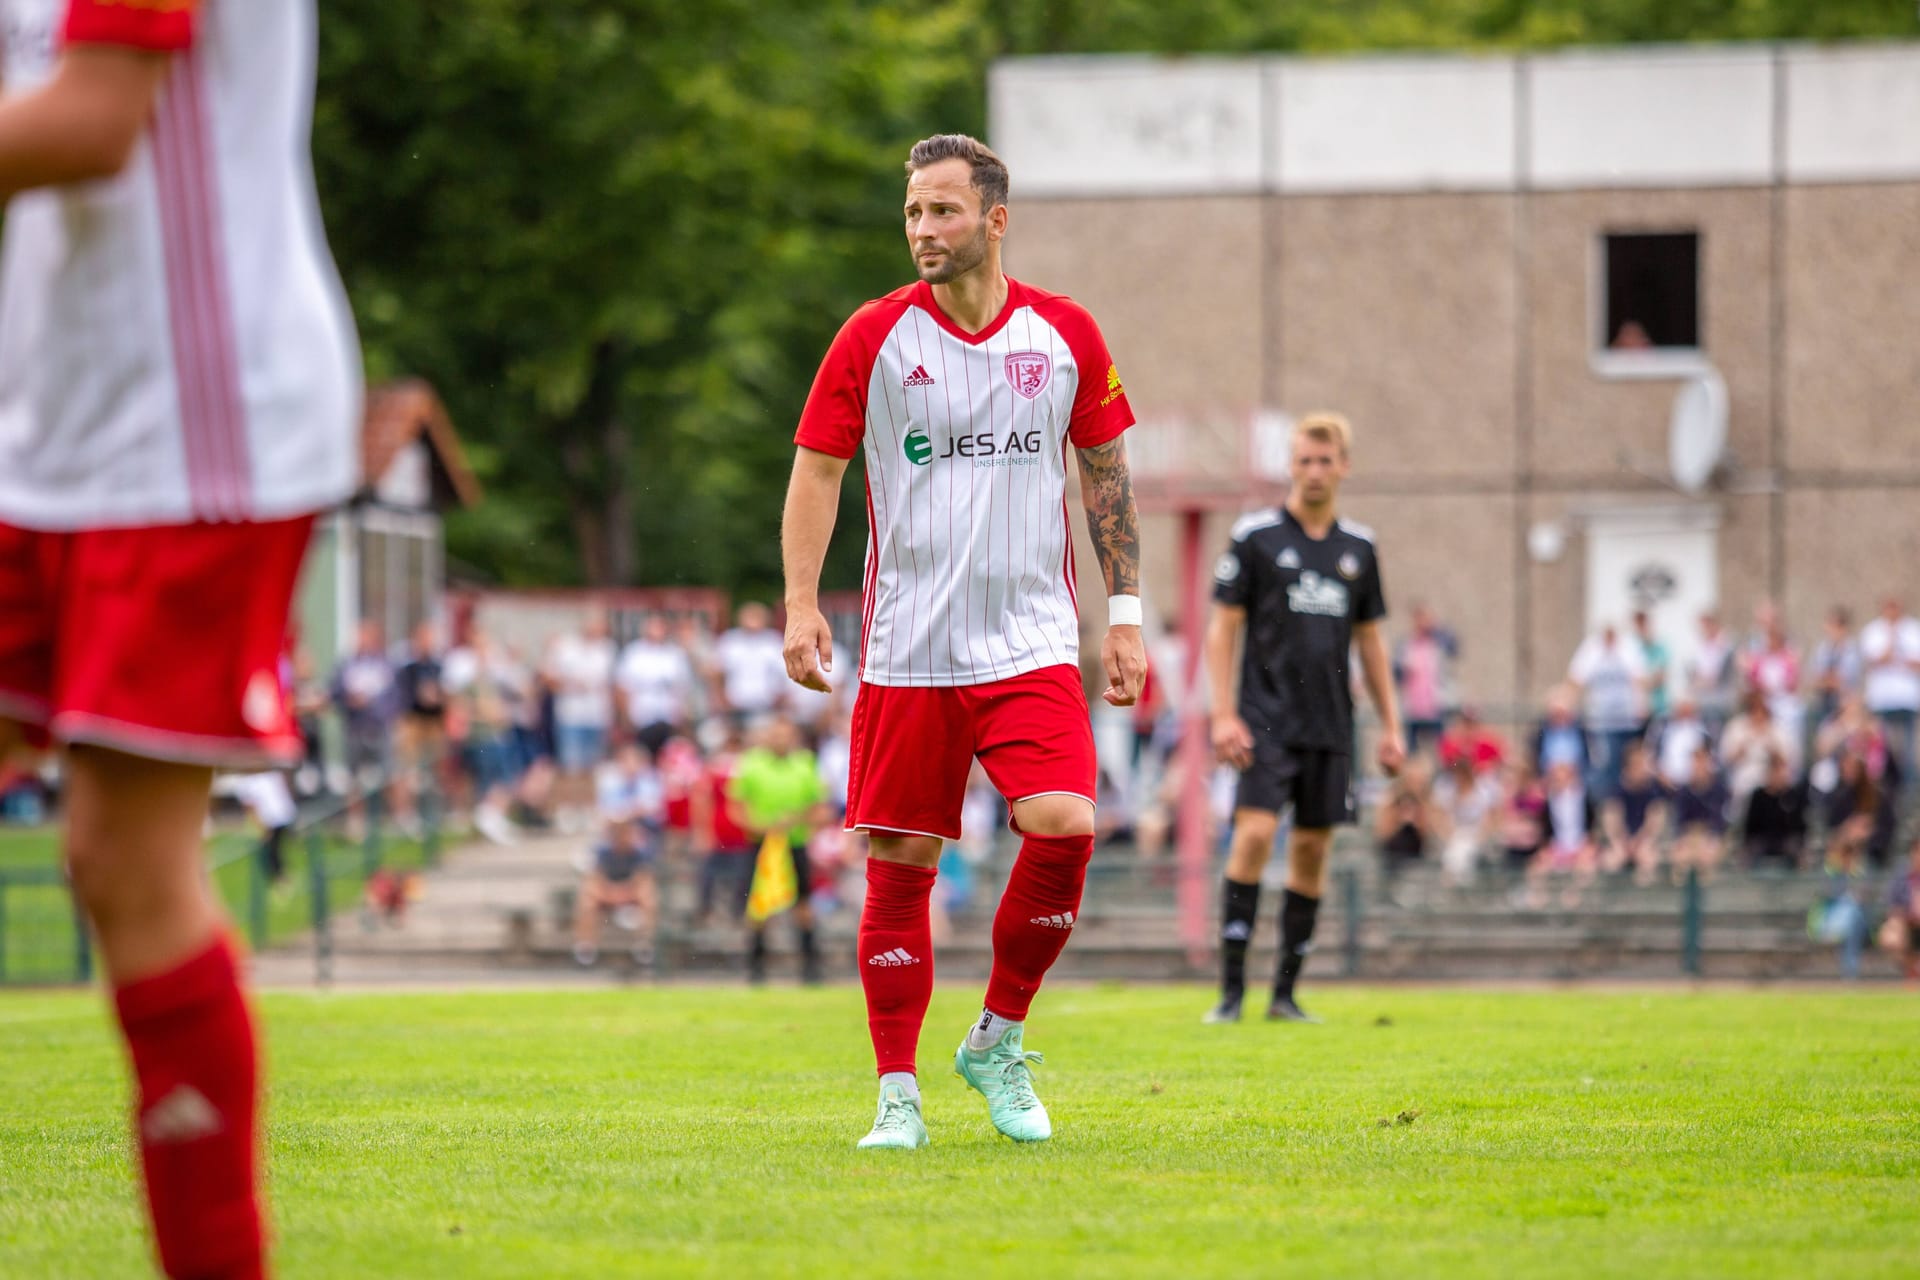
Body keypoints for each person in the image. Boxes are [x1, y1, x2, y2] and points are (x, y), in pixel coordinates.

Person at [0, 2, 360, 1275]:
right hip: (48, 427)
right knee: (117, 862)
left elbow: (95, 122)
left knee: (126, 862)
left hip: (191, 436)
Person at [779, 134, 1146, 1150]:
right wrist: (802, 602)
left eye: (942, 210)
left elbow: (1106, 478)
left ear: (995, 218)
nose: (923, 230)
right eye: (911, 214)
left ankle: (997, 1037)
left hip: (1028, 640)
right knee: (902, 860)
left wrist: (1125, 618)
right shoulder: (871, 337)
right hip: (909, 646)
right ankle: (897, 1092)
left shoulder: (1065, 333)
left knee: (1065, 820)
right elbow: (817, 471)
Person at [1204, 412, 1405, 1025]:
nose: (1314, 471)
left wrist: (1393, 728)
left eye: (1326, 460)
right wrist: (1221, 715)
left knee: (1313, 850)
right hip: (1263, 721)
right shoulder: (1256, 537)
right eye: (1304, 460)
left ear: (1343, 466)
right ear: (1290, 465)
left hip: (1330, 726)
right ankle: (1231, 995)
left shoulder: (1359, 549)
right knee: (1256, 836)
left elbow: (1371, 643)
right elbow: (1222, 631)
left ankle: (1284, 996)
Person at [727, 714, 830, 985]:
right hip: (760, 846)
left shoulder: (805, 765)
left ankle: (810, 967)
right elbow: (736, 808)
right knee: (758, 906)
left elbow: (821, 809)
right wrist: (760, 826)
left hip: (794, 843)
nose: (780, 740)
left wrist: (794, 821)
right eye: (776, 735)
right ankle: (756, 968)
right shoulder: (752, 764)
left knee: (803, 905)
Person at [573, 742, 664, 968]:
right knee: (586, 897)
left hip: (630, 886)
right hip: (611, 888)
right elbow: (595, 877)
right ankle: (585, 949)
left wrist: (623, 894)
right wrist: (613, 894)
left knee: (649, 896)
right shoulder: (603, 849)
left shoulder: (641, 850)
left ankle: (644, 947)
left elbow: (643, 878)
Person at [331, 618, 397, 833]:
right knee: (354, 778)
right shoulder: (346, 665)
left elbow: (394, 696)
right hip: (355, 727)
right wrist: (350, 700)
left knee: (389, 773)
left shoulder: (385, 665)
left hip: (378, 726)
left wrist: (378, 709)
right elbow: (335, 692)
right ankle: (356, 822)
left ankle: (394, 818)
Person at [1567, 621, 1647, 799]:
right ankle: (1607, 803)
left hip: (1628, 720)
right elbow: (1576, 679)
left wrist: (1641, 705)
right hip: (1602, 719)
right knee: (1607, 764)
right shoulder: (1591, 649)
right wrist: (1569, 704)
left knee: (1628, 764)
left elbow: (1639, 678)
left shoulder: (1629, 647)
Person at [547, 610, 618, 808]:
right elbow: (549, 678)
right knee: (570, 766)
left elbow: (610, 684)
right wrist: (570, 685)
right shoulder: (566, 647)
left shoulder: (607, 649)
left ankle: (587, 807)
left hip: (597, 716)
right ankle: (569, 806)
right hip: (571, 715)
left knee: (592, 767)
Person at [392, 620, 449, 835]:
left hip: (433, 722)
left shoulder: (437, 666)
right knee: (407, 770)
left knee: (434, 769)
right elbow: (401, 695)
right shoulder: (407, 668)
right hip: (412, 721)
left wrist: (438, 698)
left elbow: (445, 693)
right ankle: (405, 813)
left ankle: (433, 812)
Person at [616, 614, 697, 756]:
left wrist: (682, 714)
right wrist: (626, 716)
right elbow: (623, 686)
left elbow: (683, 688)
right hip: (641, 715)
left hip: (668, 715)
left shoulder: (674, 654)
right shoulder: (633, 653)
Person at [1858, 596, 1920, 779]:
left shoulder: (1913, 629)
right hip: (1881, 700)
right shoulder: (1873, 630)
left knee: (1908, 750)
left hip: (1907, 699)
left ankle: (1909, 790)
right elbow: (1875, 660)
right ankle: (1884, 786)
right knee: (1881, 747)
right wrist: (1892, 639)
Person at [1601, 741, 1669, 884]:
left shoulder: (1653, 791)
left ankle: (1643, 899)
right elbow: (1612, 822)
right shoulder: (1616, 791)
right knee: (1612, 859)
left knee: (1648, 858)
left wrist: (1640, 841)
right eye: (1638, 765)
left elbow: (1654, 823)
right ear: (1628, 768)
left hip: (1643, 842)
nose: (1643, 768)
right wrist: (1622, 842)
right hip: (1622, 841)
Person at [1394, 603, 1456, 757]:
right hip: (1413, 708)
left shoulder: (1439, 643)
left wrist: (1436, 627)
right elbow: (1396, 675)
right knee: (1412, 752)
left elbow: (1455, 646)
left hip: (1437, 706)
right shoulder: (1406, 645)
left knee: (1442, 752)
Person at [715, 602, 790, 722]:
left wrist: (781, 696)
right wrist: (721, 697)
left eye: (756, 617)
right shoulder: (730, 640)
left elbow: (784, 672)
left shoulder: (774, 641)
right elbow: (718, 671)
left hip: (766, 704)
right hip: (734, 705)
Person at [1671, 746, 1732, 883]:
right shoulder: (1684, 790)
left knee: (1707, 855)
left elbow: (1720, 819)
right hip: (1690, 834)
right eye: (1695, 762)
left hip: (1711, 834)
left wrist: (1712, 838)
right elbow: (1679, 819)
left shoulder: (1719, 789)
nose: (1698, 766)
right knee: (1681, 857)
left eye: (1702, 762)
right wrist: (1682, 838)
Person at [1741, 752, 1808, 870]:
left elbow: (1800, 827)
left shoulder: (1792, 796)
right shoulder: (1758, 796)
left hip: (1786, 841)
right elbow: (1750, 827)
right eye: (1777, 770)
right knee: (1751, 850)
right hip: (1763, 840)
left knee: (1797, 849)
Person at [1632, 610, 1672, 726]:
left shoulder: (1660, 649)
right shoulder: (1632, 649)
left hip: (1658, 708)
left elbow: (1661, 677)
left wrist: (1644, 682)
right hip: (1637, 712)